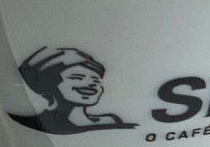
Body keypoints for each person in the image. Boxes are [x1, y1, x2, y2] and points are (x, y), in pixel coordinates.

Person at [7, 47, 136, 134]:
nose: (91, 84)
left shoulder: (111, 120)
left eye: (96, 80)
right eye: (78, 77)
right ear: (50, 84)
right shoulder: (35, 124)